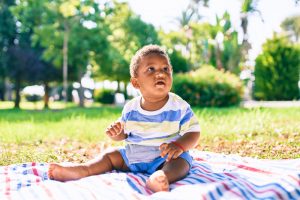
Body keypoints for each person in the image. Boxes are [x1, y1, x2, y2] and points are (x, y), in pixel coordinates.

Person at [48, 44, 201, 192]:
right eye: (151, 69)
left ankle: (161, 177)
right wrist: (117, 134)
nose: (160, 73)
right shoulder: (130, 108)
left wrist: (179, 146)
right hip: (133, 156)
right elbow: (125, 135)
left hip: (165, 158)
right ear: (136, 82)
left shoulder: (178, 105)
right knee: (109, 157)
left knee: (182, 161)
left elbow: (194, 132)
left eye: (165, 69)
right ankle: (82, 170)